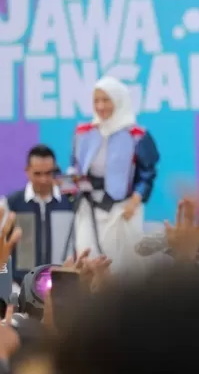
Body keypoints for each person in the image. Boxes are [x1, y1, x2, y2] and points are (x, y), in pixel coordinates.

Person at [71, 76, 159, 272]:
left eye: (106, 100)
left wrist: (135, 200)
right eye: (96, 100)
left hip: (122, 209)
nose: (101, 106)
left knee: (124, 265)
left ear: (118, 100)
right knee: (87, 257)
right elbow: (76, 167)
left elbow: (148, 172)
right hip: (89, 207)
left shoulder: (137, 135)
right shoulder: (83, 132)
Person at [0, 145, 73, 281]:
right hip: (20, 288)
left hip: (62, 286)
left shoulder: (70, 205)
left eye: (48, 173)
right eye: (38, 174)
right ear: (27, 171)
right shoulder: (11, 204)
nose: (44, 180)